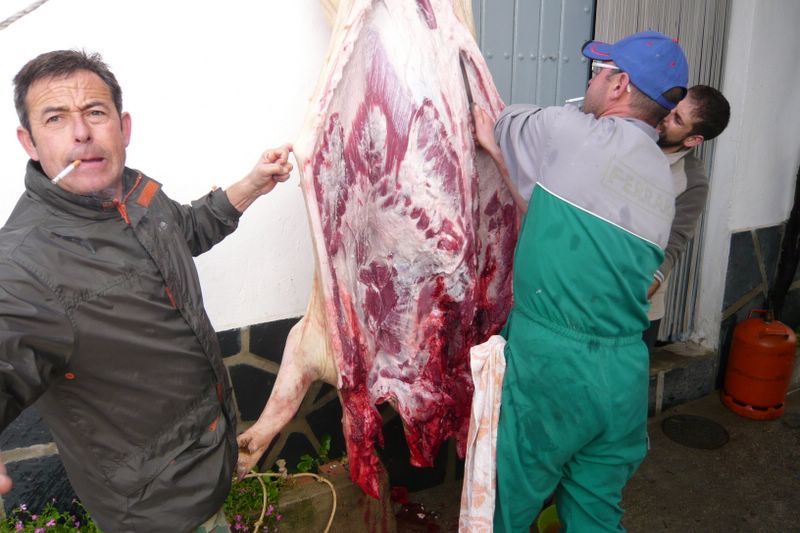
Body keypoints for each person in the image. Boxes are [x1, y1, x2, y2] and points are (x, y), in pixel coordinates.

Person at [0, 49, 293, 532]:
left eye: (95, 112)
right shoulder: (23, 265)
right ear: (28, 142)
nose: (81, 133)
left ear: (123, 127)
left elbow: (187, 228)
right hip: (154, 509)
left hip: (206, 461)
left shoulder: (138, 194)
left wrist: (253, 185)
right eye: (56, 118)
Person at [472, 31, 688, 531]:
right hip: (623, 371)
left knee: (507, 505)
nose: (591, 80)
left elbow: (503, 120)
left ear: (621, 84)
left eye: (599, 72)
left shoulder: (567, 131)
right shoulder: (662, 180)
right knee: (595, 512)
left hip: (554, 366)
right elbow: (553, 213)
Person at [644, 85, 731, 349]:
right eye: (672, 106)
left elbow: (673, 244)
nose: (666, 115)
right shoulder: (631, 133)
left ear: (693, 139)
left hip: (637, 310)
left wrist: (634, 297)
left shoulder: (692, 180)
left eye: (677, 119)